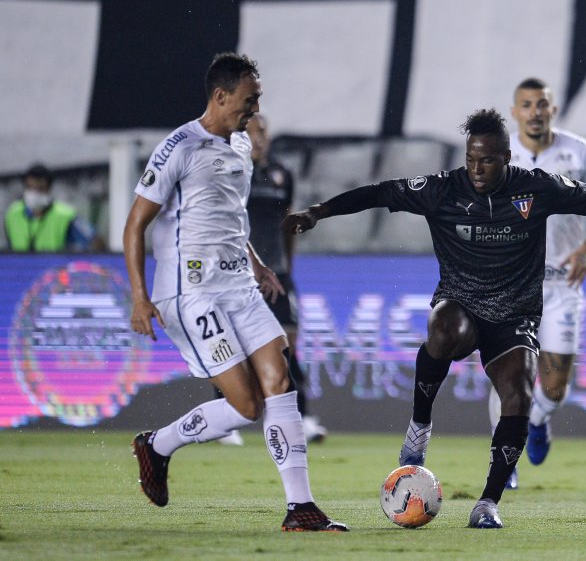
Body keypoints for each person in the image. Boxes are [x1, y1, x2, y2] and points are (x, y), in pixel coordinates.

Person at [282, 108, 586, 529]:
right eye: (471, 158)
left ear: (506, 158)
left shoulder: (537, 188)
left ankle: (488, 502)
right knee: (444, 327)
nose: (477, 168)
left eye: (487, 159)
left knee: (520, 393)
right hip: (461, 301)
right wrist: (318, 211)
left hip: (514, 315)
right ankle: (419, 425)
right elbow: (377, 192)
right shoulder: (441, 189)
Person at [124, 53, 346, 532]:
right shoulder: (178, 146)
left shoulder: (242, 146)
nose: (255, 109)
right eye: (250, 100)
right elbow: (134, 226)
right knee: (248, 406)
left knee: (279, 378)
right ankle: (157, 445)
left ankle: (300, 508)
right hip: (191, 292)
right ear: (220, 96)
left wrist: (260, 265)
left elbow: (228, 219)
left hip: (240, 285)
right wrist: (140, 297)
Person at [485, 77, 586, 488]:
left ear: (552, 109)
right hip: (512, 285)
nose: (535, 111)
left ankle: (537, 420)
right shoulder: (499, 157)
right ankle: (504, 460)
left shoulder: (579, 152)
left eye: (542, 104)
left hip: (562, 285)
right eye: (526, 104)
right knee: (508, 374)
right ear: (514, 112)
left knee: (554, 387)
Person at [217, 114, 326, 447]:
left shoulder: (281, 175)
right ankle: (226, 418)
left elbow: (288, 224)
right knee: (231, 347)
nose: (259, 138)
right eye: (251, 132)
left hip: (276, 272)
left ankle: (302, 417)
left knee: (287, 345)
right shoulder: (229, 173)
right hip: (235, 274)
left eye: (262, 132)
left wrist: (286, 267)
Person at [4, 163, 95, 252]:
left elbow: (94, 241)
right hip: (20, 266)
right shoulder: (12, 214)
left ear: (49, 189)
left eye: (40, 188)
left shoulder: (66, 215)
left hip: (54, 266)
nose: (34, 193)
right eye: (30, 188)